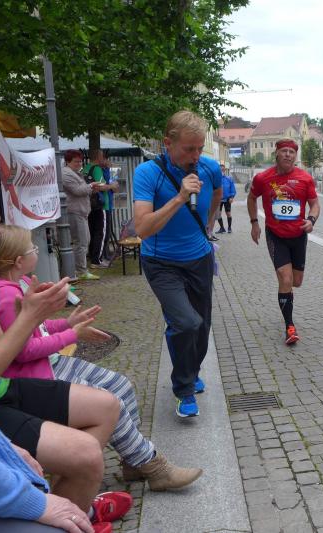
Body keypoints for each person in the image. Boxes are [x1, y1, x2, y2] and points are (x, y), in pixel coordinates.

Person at [0, 179, 129, 518]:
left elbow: (0, 347)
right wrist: (30, 319)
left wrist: (39, 318)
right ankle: (66, 510)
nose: (0, 231)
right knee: (88, 455)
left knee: (107, 405)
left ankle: (69, 505)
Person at [0, 225, 203, 491]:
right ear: (19, 261)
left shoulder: (17, 285)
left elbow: (36, 328)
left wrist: (66, 323)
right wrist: (71, 335)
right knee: (109, 400)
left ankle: (131, 462)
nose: (37, 251)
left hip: (48, 363)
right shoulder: (5, 295)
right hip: (37, 375)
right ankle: (154, 467)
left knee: (121, 384)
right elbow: (22, 350)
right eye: (32, 248)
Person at [0, 359, 115, 533]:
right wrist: (36, 504)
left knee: (107, 404)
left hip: (0, 391)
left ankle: (80, 513)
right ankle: (80, 517)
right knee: (84, 453)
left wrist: (4, 446)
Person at [133, 110, 223, 418]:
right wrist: (180, 197)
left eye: (200, 148)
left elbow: (217, 194)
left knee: (202, 326)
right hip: (161, 262)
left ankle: (191, 372)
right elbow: (143, 228)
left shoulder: (209, 168)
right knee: (185, 322)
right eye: (189, 149)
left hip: (199, 258)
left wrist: (209, 224)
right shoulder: (148, 173)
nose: (195, 156)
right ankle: (184, 390)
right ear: (167, 143)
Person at [248, 139, 320, 345]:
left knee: (296, 282)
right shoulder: (263, 178)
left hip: (298, 236)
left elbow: (315, 204)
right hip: (276, 235)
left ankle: (286, 295)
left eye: (291, 152)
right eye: (284, 151)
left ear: (295, 156)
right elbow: (251, 198)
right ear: (277, 154)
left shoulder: (305, 178)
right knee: (285, 278)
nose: (288, 154)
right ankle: (290, 326)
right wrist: (254, 223)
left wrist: (311, 220)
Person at [62, 149, 100, 281]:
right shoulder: (66, 174)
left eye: (80, 161)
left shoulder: (75, 173)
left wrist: (91, 189)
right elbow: (77, 191)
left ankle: (78, 269)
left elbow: (82, 190)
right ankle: (80, 271)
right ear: (68, 161)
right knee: (81, 242)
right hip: (74, 211)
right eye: (76, 161)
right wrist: (91, 186)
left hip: (81, 211)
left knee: (84, 241)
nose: (79, 164)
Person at [84, 150, 114, 268]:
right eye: (103, 156)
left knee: (93, 231)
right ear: (98, 157)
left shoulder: (85, 168)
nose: (104, 159)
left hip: (90, 204)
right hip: (101, 204)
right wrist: (112, 186)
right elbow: (101, 186)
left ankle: (93, 257)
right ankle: (97, 260)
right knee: (101, 233)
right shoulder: (96, 169)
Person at [216, 164, 236, 234]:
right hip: (218, 199)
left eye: (223, 169)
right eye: (220, 169)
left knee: (228, 213)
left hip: (227, 199)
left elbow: (232, 189)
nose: (222, 170)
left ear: (224, 170)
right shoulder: (216, 179)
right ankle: (222, 228)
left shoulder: (229, 179)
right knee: (218, 214)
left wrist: (232, 197)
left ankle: (229, 228)